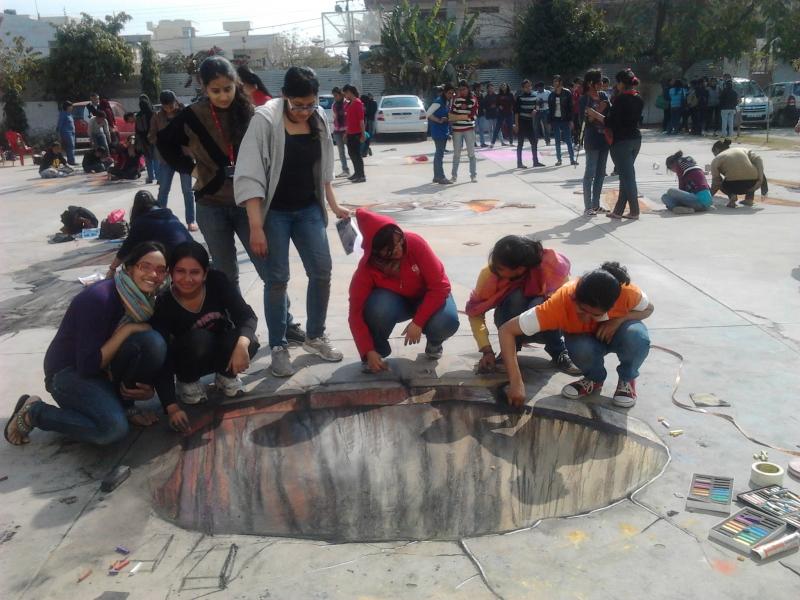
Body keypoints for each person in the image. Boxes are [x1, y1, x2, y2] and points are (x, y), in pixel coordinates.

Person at [235, 65, 349, 377]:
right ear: (285, 95)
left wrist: (334, 205)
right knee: (277, 280)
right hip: (275, 212)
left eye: (310, 104)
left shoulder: (318, 117)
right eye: (298, 105)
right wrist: (256, 227)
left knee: (322, 271)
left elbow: (324, 167)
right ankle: (279, 347)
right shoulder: (265, 120)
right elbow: (250, 176)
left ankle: (315, 336)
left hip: (308, 208)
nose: (304, 111)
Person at [5, 242, 168, 446]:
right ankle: (35, 412)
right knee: (113, 429)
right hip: (68, 372)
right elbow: (88, 365)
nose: (153, 274)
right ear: (129, 268)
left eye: (161, 270)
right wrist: (128, 330)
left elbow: (149, 353)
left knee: (153, 341)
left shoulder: (145, 302)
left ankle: (124, 405)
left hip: (103, 371)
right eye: (145, 266)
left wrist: (149, 388)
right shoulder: (99, 298)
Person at [499, 262, 653, 409]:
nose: (586, 318)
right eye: (581, 310)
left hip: (617, 334)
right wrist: (516, 382)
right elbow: (506, 330)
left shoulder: (627, 293)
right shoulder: (560, 303)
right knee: (579, 347)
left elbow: (649, 309)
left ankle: (627, 379)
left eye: (595, 315)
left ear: (611, 306)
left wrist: (618, 320)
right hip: (585, 341)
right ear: (575, 298)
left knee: (636, 336)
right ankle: (594, 379)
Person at [151, 242, 259, 423]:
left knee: (250, 340)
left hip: (219, 348)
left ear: (205, 273)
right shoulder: (164, 301)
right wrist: (171, 406)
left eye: (195, 272)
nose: (187, 279)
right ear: (170, 273)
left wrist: (242, 345)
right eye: (180, 271)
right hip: (187, 358)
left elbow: (246, 316)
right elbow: (162, 355)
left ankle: (226, 376)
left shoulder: (217, 281)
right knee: (200, 338)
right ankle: (187, 382)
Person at [349, 208, 459, 373]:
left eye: (400, 242)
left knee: (446, 320)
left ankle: (435, 342)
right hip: (395, 303)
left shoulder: (414, 243)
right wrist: (367, 350)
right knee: (378, 306)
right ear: (377, 251)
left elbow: (440, 286)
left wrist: (418, 322)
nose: (400, 249)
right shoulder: (366, 269)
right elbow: (355, 314)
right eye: (391, 249)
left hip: (427, 297)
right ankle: (376, 352)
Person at [466, 235, 579, 375]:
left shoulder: (552, 268)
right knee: (516, 297)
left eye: (500, 268)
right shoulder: (489, 274)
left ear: (520, 269)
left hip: (547, 328)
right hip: (509, 326)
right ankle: (510, 350)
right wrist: (486, 350)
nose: (495, 269)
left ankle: (559, 352)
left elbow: (566, 306)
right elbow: (475, 312)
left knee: (544, 303)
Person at [587, 69, 644, 220]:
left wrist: (595, 114)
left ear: (621, 83)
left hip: (621, 142)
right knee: (626, 176)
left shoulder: (620, 100)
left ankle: (634, 211)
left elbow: (610, 122)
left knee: (628, 177)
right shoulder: (638, 98)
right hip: (635, 139)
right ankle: (618, 211)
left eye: (617, 82)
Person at [106, 190, 193, 278]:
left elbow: (126, 249)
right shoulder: (171, 216)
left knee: (134, 262)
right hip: (194, 255)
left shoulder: (142, 221)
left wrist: (112, 268)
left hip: (178, 263)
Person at [149, 90, 198, 231]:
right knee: (163, 189)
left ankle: (191, 220)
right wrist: (161, 140)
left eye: (171, 105)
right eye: (166, 106)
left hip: (184, 157)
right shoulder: (157, 117)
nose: (169, 109)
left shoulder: (184, 114)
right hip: (167, 159)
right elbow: (151, 136)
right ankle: (160, 220)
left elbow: (194, 132)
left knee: (187, 191)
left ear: (176, 102)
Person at [580, 69, 610, 216]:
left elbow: (609, 114)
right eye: (598, 82)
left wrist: (595, 112)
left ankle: (596, 205)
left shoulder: (603, 95)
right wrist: (600, 110)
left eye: (602, 81)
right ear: (590, 83)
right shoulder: (584, 99)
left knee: (601, 173)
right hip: (592, 138)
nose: (601, 84)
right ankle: (588, 206)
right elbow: (587, 119)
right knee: (590, 173)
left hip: (605, 138)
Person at [710, 139, 767, 208]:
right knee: (751, 171)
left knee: (720, 182)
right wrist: (760, 180)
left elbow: (716, 182)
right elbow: (758, 160)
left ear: (716, 150)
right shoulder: (742, 150)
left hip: (733, 186)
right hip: (752, 185)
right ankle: (749, 199)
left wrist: (708, 196)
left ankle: (732, 196)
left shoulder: (716, 159)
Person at [450, 79, 479, 183]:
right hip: (457, 130)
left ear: (468, 89)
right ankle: (454, 176)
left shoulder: (473, 99)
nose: (462, 91)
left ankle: (473, 175)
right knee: (456, 154)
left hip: (469, 129)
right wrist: (465, 116)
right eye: (460, 89)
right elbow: (452, 114)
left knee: (471, 153)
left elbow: (474, 115)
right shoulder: (456, 99)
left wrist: (460, 117)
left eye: (464, 89)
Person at [426, 83, 455, 185]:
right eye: (449, 93)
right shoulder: (438, 101)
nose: (451, 95)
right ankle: (441, 177)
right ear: (445, 92)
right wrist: (438, 120)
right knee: (439, 155)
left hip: (443, 131)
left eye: (452, 93)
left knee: (438, 154)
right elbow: (428, 113)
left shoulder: (446, 101)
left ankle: (436, 177)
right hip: (438, 132)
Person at [514, 79, 544, 169]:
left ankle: (535, 161)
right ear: (523, 88)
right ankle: (519, 163)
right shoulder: (519, 98)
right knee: (520, 144)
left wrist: (535, 110)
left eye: (529, 86)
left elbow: (538, 106)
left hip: (530, 123)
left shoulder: (535, 97)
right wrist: (516, 125)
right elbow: (516, 113)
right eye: (526, 87)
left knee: (534, 142)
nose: (528, 88)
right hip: (521, 122)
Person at [548, 75, 577, 166]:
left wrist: (571, 120)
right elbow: (550, 109)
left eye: (556, 81)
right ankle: (559, 160)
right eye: (554, 81)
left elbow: (570, 107)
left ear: (560, 82)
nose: (554, 83)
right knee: (557, 140)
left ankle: (572, 159)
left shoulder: (567, 93)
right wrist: (549, 122)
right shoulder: (551, 95)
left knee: (568, 140)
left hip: (565, 119)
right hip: (555, 120)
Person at [342, 84, 366, 183]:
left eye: (345, 94)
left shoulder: (358, 103)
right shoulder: (349, 104)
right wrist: (346, 133)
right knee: (351, 153)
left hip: (357, 133)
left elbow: (361, 121)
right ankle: (357, 173)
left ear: (349, 92)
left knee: (357, 155)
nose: (345, 96)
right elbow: (348, 121)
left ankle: (362, 175)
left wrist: (363, 134)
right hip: (350, 133)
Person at [135, 94, 158, 184]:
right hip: (154, 138)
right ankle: (159, 177)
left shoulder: (138, 115)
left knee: (148, 159)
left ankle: (151, 177)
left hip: (144, 140)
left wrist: (137, 141)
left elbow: (137, 130)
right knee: (156, 158)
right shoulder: (153, 113)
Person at [331, 87, 350, 177]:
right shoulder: (334, 105)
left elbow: (349, 118)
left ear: (341, 94)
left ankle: (357, 171)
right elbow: (334, 117)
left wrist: (347, 132)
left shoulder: (347, 103)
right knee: (341, 152)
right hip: (337, 131)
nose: (335, 97)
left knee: (351, 151)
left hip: (347, 131)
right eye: (334, 96)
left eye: (336, 95)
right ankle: (345, 170)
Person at [56, 101, 76, 165]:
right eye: (71, 106)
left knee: (72, 146)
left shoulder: (70, 114)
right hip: (66, 132)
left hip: (72, 132)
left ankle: (71, 160)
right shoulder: (63, 114)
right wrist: (59, 134)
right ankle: (71, 161)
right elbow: (60, 124)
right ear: (67, 107)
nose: (72, 107)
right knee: (70, 146)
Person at [472, 82, 488, 147]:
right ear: (475, 88)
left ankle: (482, 143)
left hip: (481, 114)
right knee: (474, 129)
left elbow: (484, 103)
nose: (479, 88)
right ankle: (473, 142)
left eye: (479, 87)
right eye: (478, 87)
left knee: (481, 129)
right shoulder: (472, 95)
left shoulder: (482, 95)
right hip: (474, 114)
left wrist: (485, 109)